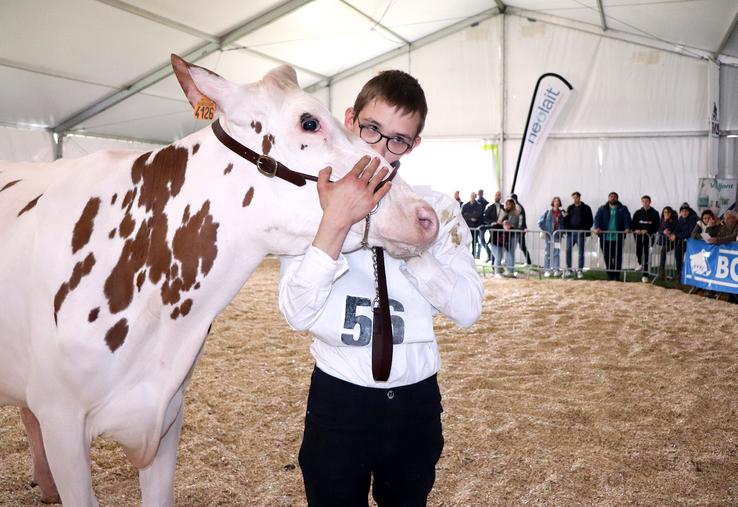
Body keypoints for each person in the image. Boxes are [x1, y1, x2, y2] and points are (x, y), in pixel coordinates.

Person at [278, 69, 484, 507]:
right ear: (350, 119)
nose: (381, 148)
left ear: (413, 145)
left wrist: (417, 253)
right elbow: (297, 313)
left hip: (416, 403)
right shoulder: (309, 206)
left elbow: (468, 309)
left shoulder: (436, 210)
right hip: (339, 399)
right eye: (372, 129)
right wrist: (335, 222)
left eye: (398, 140)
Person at [593, 192, 631, 281]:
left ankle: (616, 275)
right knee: (607, 256)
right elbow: (597, 218)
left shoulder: (623, 208)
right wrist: (597, 227)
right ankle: (610, 274)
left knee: (617, 256)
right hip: (605, 237)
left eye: (614, 197)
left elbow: (627, 218)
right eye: (611, 197)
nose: (613, 198)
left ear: (617, 198)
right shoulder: (602, 208)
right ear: (608, 198)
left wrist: (627, 228)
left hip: (618, 237)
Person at [563, 191, 593, 279]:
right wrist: (566, 226)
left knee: (581, 252)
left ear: (580, 197)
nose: (575, 199)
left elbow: (590, 221)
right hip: (571, 233)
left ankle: (580, 270)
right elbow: (567, 220)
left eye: (576, 197)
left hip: (581, 233)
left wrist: (584, 230)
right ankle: (569, 269)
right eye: (573, 197)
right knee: (568, 250)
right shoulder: (570, 207)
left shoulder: (586, 208)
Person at [631, 195, 660, 282]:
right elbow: (633, 224)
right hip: (639, 237)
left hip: (650, 237)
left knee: (648, 255)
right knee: (638, 251)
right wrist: (636, 230)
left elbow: (656, 226)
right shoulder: (637, 212)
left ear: (650, 202)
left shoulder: (655, 213)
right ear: (641, 202)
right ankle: (640, 264)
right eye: (643, 201)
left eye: (647, 201)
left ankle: (645, 274)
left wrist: (647, 230)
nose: (645, 203)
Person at [668, 202, 698, 283]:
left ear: (689, 211)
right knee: (677, 253)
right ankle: (679, 273)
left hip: (694, 243)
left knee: (692, 259)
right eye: (682, 211)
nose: (684, 213)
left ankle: (691, 276)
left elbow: (689, 232)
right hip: (684, 242)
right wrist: (673, 234)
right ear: (680, 212)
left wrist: (676, 236)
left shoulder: (694, 219)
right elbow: (677, 228)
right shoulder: (681, 218)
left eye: (686, 211)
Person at [492, 197, 521, 277]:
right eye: (506, 203)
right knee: (506, 253)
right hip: (506, 235)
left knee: (510, 252)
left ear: (512, 205)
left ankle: (510, 270)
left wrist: (505, 224)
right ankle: (507, 270)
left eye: (509, 204)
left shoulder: (514, 213)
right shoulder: (504, 212)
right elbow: (501, 223)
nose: (507, 205)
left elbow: (513, 225)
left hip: (512, 235)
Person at [537, 196, 564, 277]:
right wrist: (547, 230)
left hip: (557, 236)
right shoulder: (547, 212)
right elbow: (540, 223)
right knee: (548, 253)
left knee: (557, 253)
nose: (556, 202)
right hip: (549, 236)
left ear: (559, 203)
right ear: (553, 202)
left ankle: (556, 270)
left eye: (558, 201)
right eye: (555, 201)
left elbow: (564, 224)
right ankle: (547, 270)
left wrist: (561, 231)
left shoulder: (561, 213)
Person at [509, 193, 532, 265]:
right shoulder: (516, 206)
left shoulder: (518, 207)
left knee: (521, 246)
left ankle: (528, 262)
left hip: (519, 230)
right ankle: (528, 262)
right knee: (521, 246)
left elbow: (520, 220)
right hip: (518, 230)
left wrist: (520, 228)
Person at [461, 192, 486, 259]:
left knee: (474, 241)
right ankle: (466, 255)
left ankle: (473, 255)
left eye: (474, 196)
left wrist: (470, 215)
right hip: (467, 227)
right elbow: (463, 215)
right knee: (466, 241)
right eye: (472, 196)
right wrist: (470, 217)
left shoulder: (479, 205)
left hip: (475, 227)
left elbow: (478, 215)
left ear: (476, 197)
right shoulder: (465, 205)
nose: (473, 197)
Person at [656, 206, 677, 280]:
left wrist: (670, 233)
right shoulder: (662, 219)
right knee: (663, 252)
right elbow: (659, 229)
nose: (666, 213)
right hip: (664, 241)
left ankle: (663, 272)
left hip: (672, 242)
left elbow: (674, 229)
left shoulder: (674, 220)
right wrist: (664, 232)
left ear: (671, 213)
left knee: (664, 251)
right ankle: (661, 272)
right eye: (665, 212)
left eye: (668, 212)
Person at [482, 191, 503, 265]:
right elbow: (485, 218)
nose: (497, 196)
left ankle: (497, 265)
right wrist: (493, 222)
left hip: (501, 230)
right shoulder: (490, 206)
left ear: (500, 196)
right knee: (494, 245)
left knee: (499, 248)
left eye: (499, 195)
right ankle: (494, 265)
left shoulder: (503, 206)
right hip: (493, 229)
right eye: (496, 195)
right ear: (494, 196)